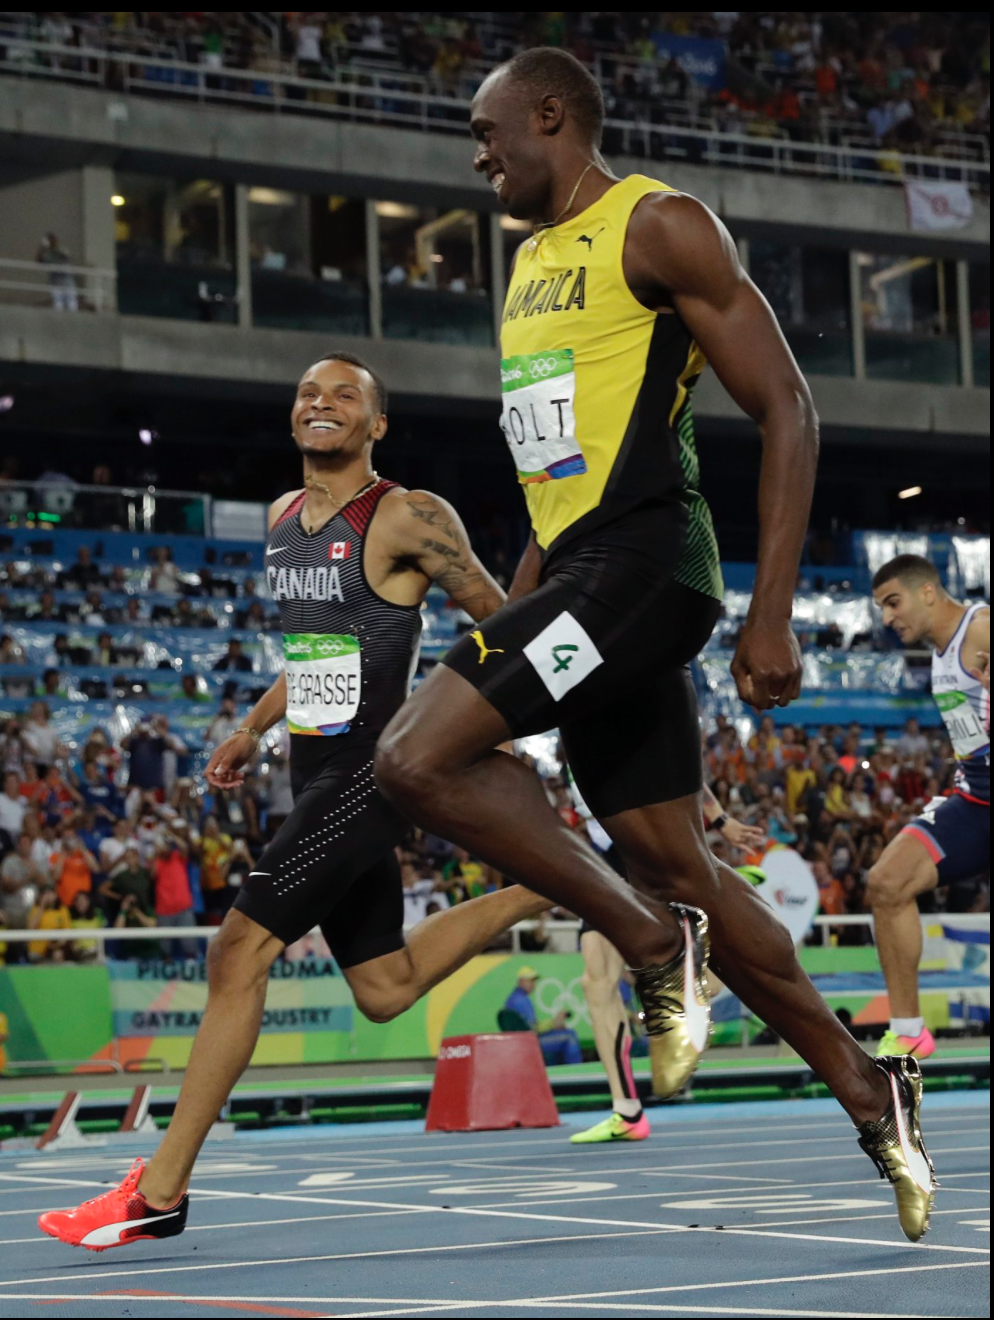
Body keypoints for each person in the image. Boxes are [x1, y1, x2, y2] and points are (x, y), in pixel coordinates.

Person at [371, 48, 934, 1240]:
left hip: (647, 571)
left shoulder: (659, 224)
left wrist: (771, 611)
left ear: (550, 114)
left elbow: (787, 405)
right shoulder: (526, 268)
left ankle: (644, 944)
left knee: (413, 760)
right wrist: (510, 613)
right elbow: (551, 492)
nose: (476, 156)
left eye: (485, 131)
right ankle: (870, 1089)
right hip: (579, 581)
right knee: (677, 862)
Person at [39, 349, 549, 1252]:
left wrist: (473, 730)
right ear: (293, 417)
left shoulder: (405, 515)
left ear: (375, 425)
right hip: (313, 768)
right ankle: (562, 885)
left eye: (345, 395)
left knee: (240, 951)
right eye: (309, 393)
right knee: (385, 987)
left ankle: (160, 1191)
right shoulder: (282, 520)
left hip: (374, 769)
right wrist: (253, 728)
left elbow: (502, 625)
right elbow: (317, 650)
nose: (323, 403)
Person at [571, 781, 765, 1145]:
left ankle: (726, 896)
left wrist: (719, 819)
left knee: (661, 969)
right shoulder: (549, 734)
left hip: (639, 843)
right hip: (600, 857)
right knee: (595, 982)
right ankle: (626, 1111)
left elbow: (672, 762)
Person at [868, 556, 989, 1060]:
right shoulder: (941, 652)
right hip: (976, 801)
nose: (888, 618)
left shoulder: (980, 632)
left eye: (893, 603)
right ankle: (909, 1030)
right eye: (881, 609)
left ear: (929, 593)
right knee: (886, 883)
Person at [503, 965, 581, 1065]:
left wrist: (553, 1024)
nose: (533, 984)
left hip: (522, 1041)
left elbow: (529, 1026)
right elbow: (533, 1028)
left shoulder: (513, 998)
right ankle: (573, 1073)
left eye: (534, 981)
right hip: (529, 1043)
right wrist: (553, 1024)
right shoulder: (522, 1001)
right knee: (570, 1036)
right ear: (520, 982)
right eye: (530, 980)